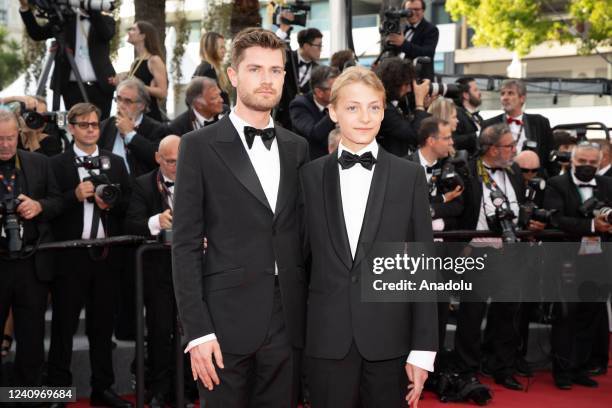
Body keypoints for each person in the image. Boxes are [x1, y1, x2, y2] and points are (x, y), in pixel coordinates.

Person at [172, 28, 309, 407]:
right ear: (233, 75)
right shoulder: (197, 146)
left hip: (288, 320)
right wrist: (197, 332)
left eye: (276, 70)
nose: (267, 80)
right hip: (223, 320)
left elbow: (303, 236)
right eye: (255, 69)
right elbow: (184, 245)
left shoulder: (297, 148)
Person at [299, 66, 437, 408]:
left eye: (374, 107)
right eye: (352, 107)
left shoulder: (409, 176)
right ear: (332, 112)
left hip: (390, 342)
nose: (364, 117)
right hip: (326, 342)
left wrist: (423, 350)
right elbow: (294, 261)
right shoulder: (308, 177)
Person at [47, 103, 131, 407]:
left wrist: (110, 204)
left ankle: (103, 389)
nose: (91, 130)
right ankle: (57, 391)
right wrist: (74, 196)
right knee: (63, 327)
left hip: (106, 255)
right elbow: (48, 209)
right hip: (69, 257)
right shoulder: (56, 164)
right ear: (71, 128)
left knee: (102, 326)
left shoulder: (116, 163)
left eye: (95, 125)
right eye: (84, 125)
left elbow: (129, 206)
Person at [454, 124, 545, 398]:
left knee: (508, 312)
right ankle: (466, 368)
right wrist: (463, 247)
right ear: (492, 149)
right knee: (471, 315)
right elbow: (459, 211)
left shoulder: (515, 171)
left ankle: (501, 366)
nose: (514, 151)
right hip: (478, 251)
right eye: (509, 146)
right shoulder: (468, 171)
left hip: (510, 251)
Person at [0, 110, 62, 386]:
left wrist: (38, 206)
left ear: (19, 135)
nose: (5, 145)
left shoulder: (38, 163)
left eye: (11, 138)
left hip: (31, 263)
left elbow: (58, 202)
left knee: (32, 338)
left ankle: (29, 397)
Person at [543, 142, 612, 389]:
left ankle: (580, 368)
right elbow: (556, 218)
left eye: (592, 163)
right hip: (568, 259)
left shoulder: (607, 185)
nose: (587, 167)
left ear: (600, 162)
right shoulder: (556, 184)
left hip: (599, 260)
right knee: (566, 316)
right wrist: (592, 226)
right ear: (572, 161)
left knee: (590, 315)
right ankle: (561, 371)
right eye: (582, 162)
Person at [125, 135, 184, 407]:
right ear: (158, 158)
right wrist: (156, 221)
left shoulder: (198, 178)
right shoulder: (142, 184)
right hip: (158, 273)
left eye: (181, 160)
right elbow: (130, 224)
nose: (176, 166)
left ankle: (188, 389)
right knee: (160, 333)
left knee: (193, 333)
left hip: (192, 271)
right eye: (171, 161)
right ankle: (160, 390)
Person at [18, 0, 116, 119]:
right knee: (77, 127)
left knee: (102, 127)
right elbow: (37, 34)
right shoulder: (66, 21)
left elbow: (106, 34)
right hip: (71, 87)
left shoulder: (107, 21)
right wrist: (25, 8)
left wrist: (91, 9)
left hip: (100, 86)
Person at [482, 79, 553, 174]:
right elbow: (483, 156)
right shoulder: (489, 124)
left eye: (510, 93)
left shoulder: (540, 122)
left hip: (533, 177)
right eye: (502, 94)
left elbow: (549, 154)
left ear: (522, 98)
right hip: (502, 177)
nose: (505, 98)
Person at [99, 78, 166, 178]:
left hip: (139, 188)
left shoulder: (157, 129)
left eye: (128, 101)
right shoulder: (104, 126)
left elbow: (156, 159)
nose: (121, 105)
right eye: (118, 99)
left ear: (142, 105)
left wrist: (130, 134)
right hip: (109, 184)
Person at [374, 57, 431, 157]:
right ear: (394, 83)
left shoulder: (393, 104)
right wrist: (419, 104)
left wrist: (423, 106)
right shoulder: (383, 109)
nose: (409, 89)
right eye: (406, 84)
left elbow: (413, 126)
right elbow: (415, 136)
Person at [113, 21, 168, 122]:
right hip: (135, 115)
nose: (129, 32)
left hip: (149, 116)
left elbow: (162, 92)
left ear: (143, 36)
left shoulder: (154, 60)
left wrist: (138, 84)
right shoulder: (137, 61)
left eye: (133, 29)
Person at [276, 28, 323, 129]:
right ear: (306, 46)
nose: (321, 49)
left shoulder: (319, 70)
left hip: (303, 124)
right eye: (318, 45)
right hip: (279, 120)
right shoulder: (286, 58)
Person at [289, 66, 339, 159]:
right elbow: (314, 134)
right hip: (312, 163)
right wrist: (336, 109)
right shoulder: (299, 105)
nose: (339, 91)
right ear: (319, 92)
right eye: (335, 89)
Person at [193, 31, 231, 105]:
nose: (225, 51)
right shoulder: (208, 70)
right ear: (211, 48)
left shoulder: (205, 68)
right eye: (221, 47)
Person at [454, 77, 483, 154]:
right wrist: (478, 135)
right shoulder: (456, 114)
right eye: (475, 90)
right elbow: (454, 140)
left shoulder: (479, 117)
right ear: (466, 95)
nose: (479, 93)